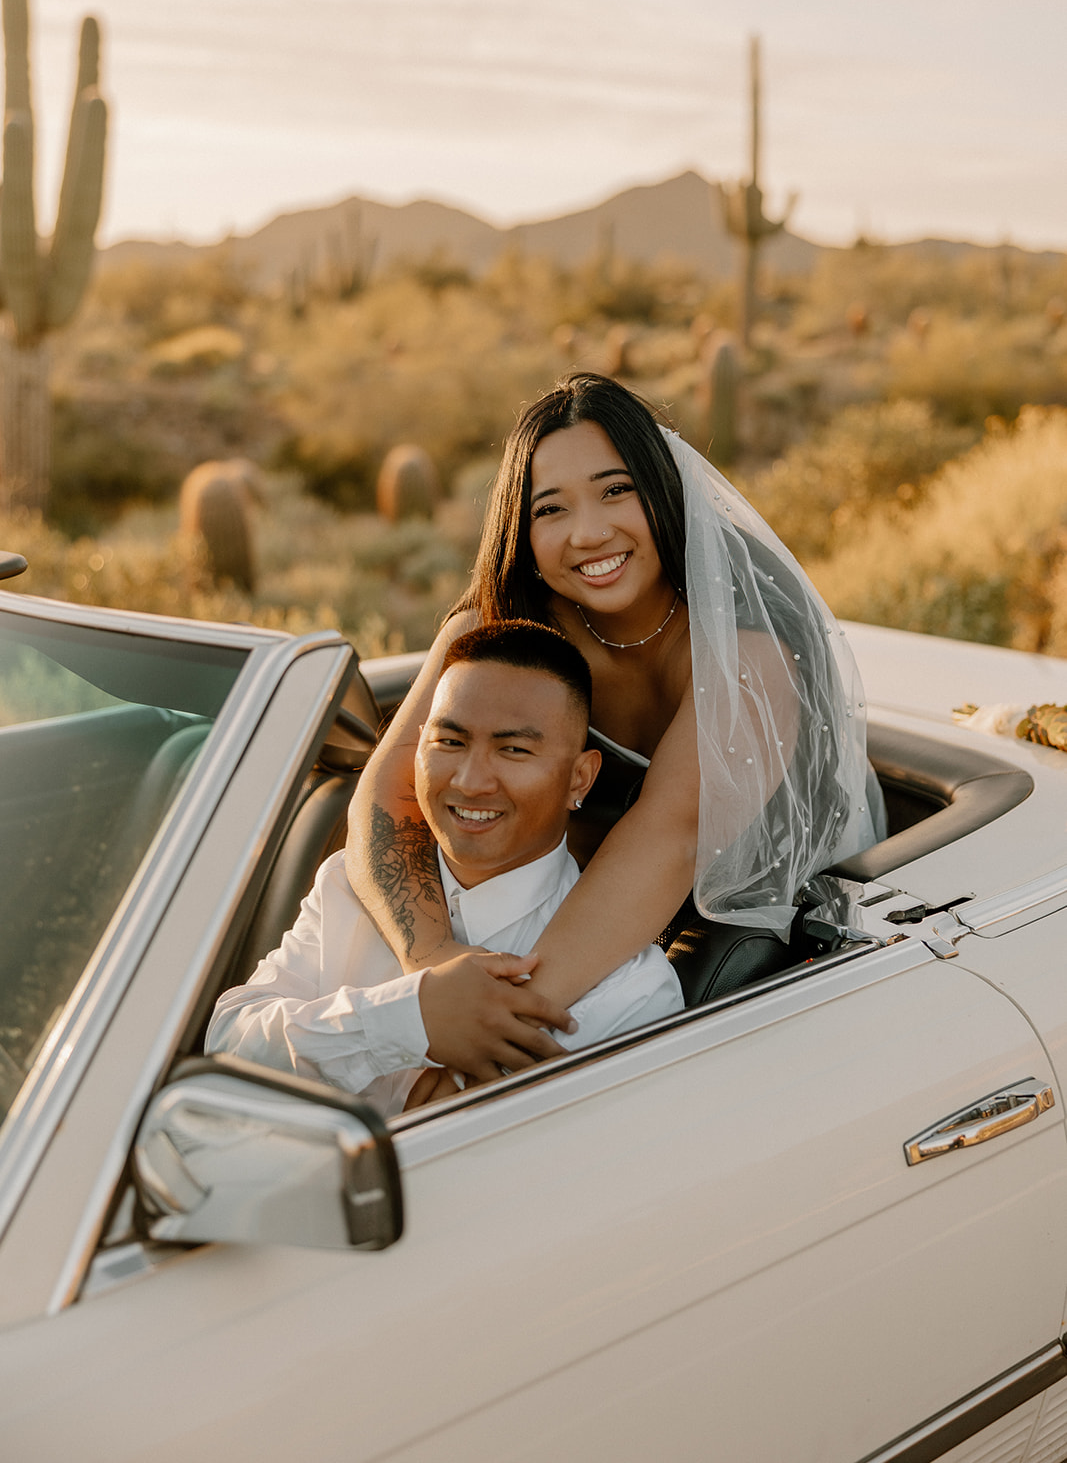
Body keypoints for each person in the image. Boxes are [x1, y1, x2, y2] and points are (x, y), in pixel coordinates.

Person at [345, 373, 886, 1088]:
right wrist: (435, 969)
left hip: (759, 926)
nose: (588, 532)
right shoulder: (497, 627)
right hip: (580, 922)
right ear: (521, 527)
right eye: (551, 508)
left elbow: (671, 835)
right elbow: (387, 792)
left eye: (615, 490)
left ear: (664, 492)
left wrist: (498, 1027)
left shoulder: (751, 650)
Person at [207, 620, 682, 1115]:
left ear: (579, 779)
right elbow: (228, 1044)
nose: (471, 781)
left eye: (513, 750)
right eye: (449, 743)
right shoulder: (350, 883)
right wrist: (406, 1020)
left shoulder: (632, 993)